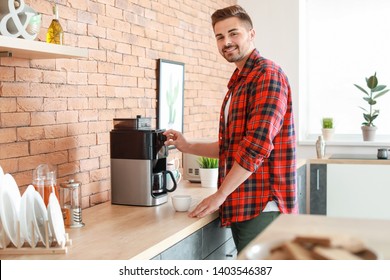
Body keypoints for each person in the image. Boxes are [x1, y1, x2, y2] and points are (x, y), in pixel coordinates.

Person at [163, 5, 297, 254]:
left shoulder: (267, 75)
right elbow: (232, 147)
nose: (227, 42)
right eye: (220, 36)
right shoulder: (239, 82)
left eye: (233, 33)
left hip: (263, 206)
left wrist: (220, 195)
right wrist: (187, 145)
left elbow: (257, 146)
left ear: (251, 34)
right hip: (245, 204)